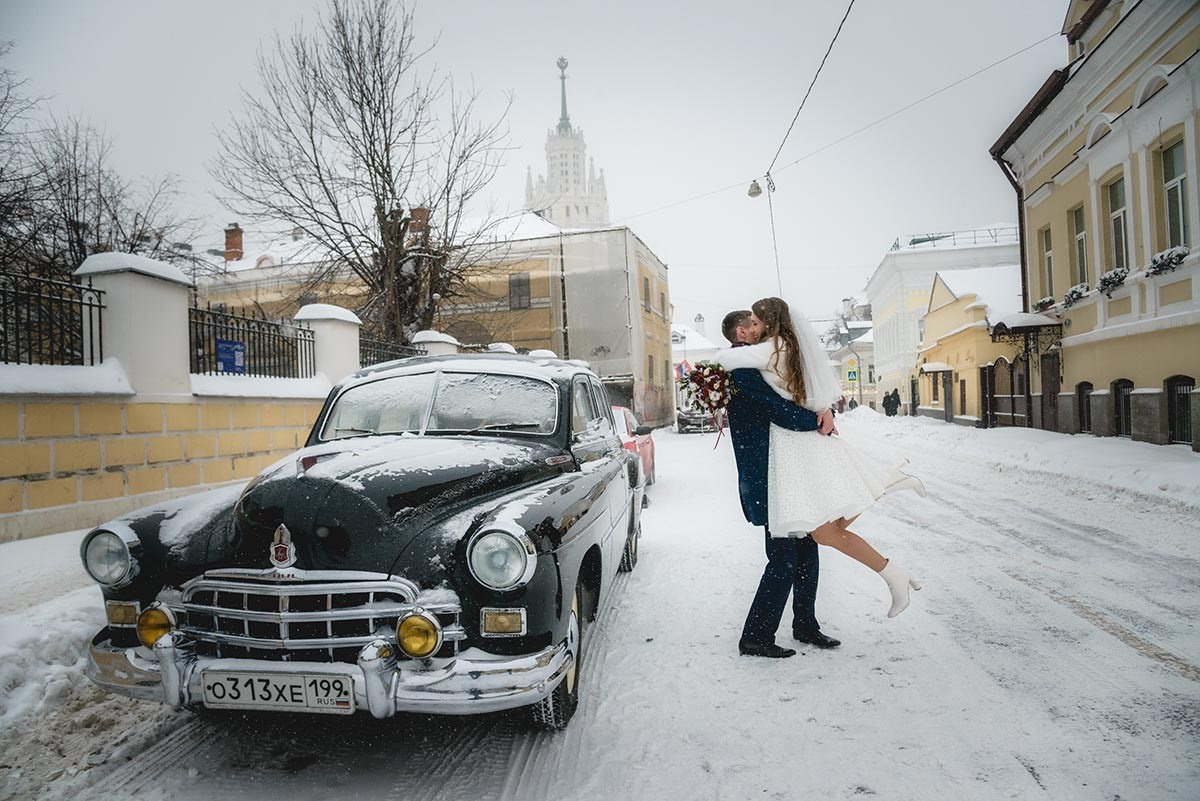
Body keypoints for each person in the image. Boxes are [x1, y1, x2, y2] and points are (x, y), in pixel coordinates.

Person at [716, 298, 925, 620]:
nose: (752, 329)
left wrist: (816, 417)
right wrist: (819, 412)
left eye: (756, 323)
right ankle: (890, 565)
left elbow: (725, 361)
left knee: (819, 533)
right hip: (794, 448)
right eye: (749, 325)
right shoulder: (784, 346)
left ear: (768, 324)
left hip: (797, 446)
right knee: (822, 532)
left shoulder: (771, 348)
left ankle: (886, 503)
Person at [720, 310, 840, 659]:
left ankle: (805, 625)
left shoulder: (757, 364)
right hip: (767, 478)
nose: (760, 330)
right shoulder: (741, 371)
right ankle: (755, 637)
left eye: (761, 323)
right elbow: (778, 409)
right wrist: (817, 420)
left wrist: (822, 409)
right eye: (754, 325)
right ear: (742, 333)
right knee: (784, 557)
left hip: (784, 476)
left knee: (806, 550)